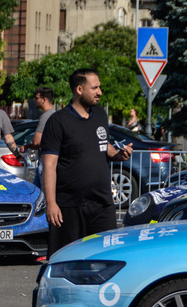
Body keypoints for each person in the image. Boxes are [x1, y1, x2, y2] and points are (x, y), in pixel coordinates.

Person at [40, 68, 133, 257]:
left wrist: (117, 155)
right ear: (80, 89)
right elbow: (49, 165)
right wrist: (51, 203)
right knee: (65, 259)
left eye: (99, 87)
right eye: (95, 88)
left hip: (102, 204)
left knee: (106, 257)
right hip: (69, 206)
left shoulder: (99, 114)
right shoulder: (58, 121)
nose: (100, 92)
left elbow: (102, 144)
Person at [21, 87, 55, 188]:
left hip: (45, 160)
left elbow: (36, 142)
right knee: (37, 193)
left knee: (42, 194)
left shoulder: (45, 117)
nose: (35, 101)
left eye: (37, 98)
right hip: (53, 160)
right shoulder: (56, 114)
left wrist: (27, 146)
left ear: (44, 100)